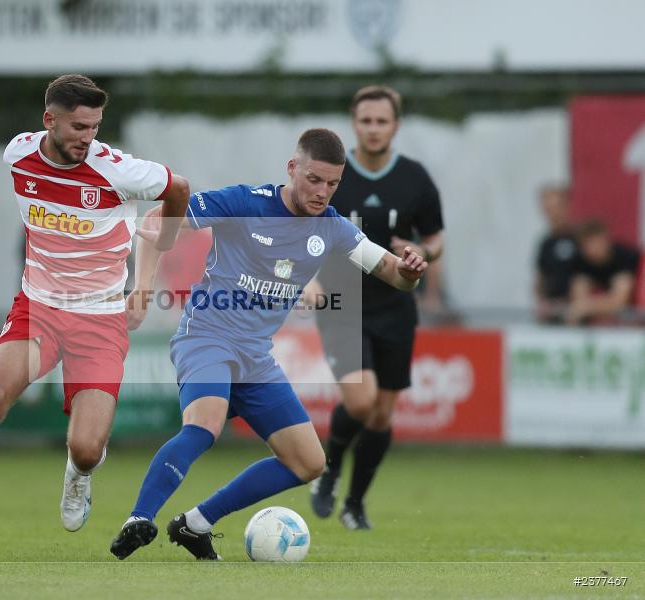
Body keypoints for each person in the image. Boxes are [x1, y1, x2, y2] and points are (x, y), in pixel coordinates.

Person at [0, 74, 190, 555]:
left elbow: (177, 189)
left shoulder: (117, 170)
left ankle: (78, 475)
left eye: (95, 127)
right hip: (39, 308)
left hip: (99, 319)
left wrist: (153, 266)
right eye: (78, 126)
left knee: (87, 448)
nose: (88, 137)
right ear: (48, 120)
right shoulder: (18, 155)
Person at [109, 128, 427, 561]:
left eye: (333, 184)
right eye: (314, 179)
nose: (322, 192)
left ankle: (196, 524)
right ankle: (139, 518)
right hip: (207, 337)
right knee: (204, 426)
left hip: (255, 358)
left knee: (309, 463)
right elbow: (154, 222)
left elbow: (391, 272)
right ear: (292, 168)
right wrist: (142, 287)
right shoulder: (245, 202)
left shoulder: (332, 226)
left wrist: (410, 269)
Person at [308, 85, 444, 530]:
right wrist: (307, 277)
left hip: (396, 306)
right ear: (354, 123)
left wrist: (422, 250)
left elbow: (437, 239)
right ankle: (327, 469)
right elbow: (300, 228)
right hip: (341, 303)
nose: (372, 128)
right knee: (362, 401)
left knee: (384, 413)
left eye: (381, 121)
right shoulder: (331, 174)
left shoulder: (416, 178)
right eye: (365, 120)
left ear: (395, 126)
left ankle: (355, 502)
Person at [565, 219, 640, 325]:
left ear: (606, 240)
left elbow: (619, 301)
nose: (593, 250)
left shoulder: (625, 256)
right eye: (588, 246)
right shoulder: (580, 261)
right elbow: (579, 298)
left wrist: (588, 306)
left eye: (596, 243)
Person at [534, 184, 576, 323]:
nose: (550, 212)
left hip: (576, 313)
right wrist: (541, 302)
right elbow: (541, 277)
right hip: (551, 312)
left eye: (554, 207)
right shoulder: (546, 243)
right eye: (547, 208)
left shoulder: (578, 238)